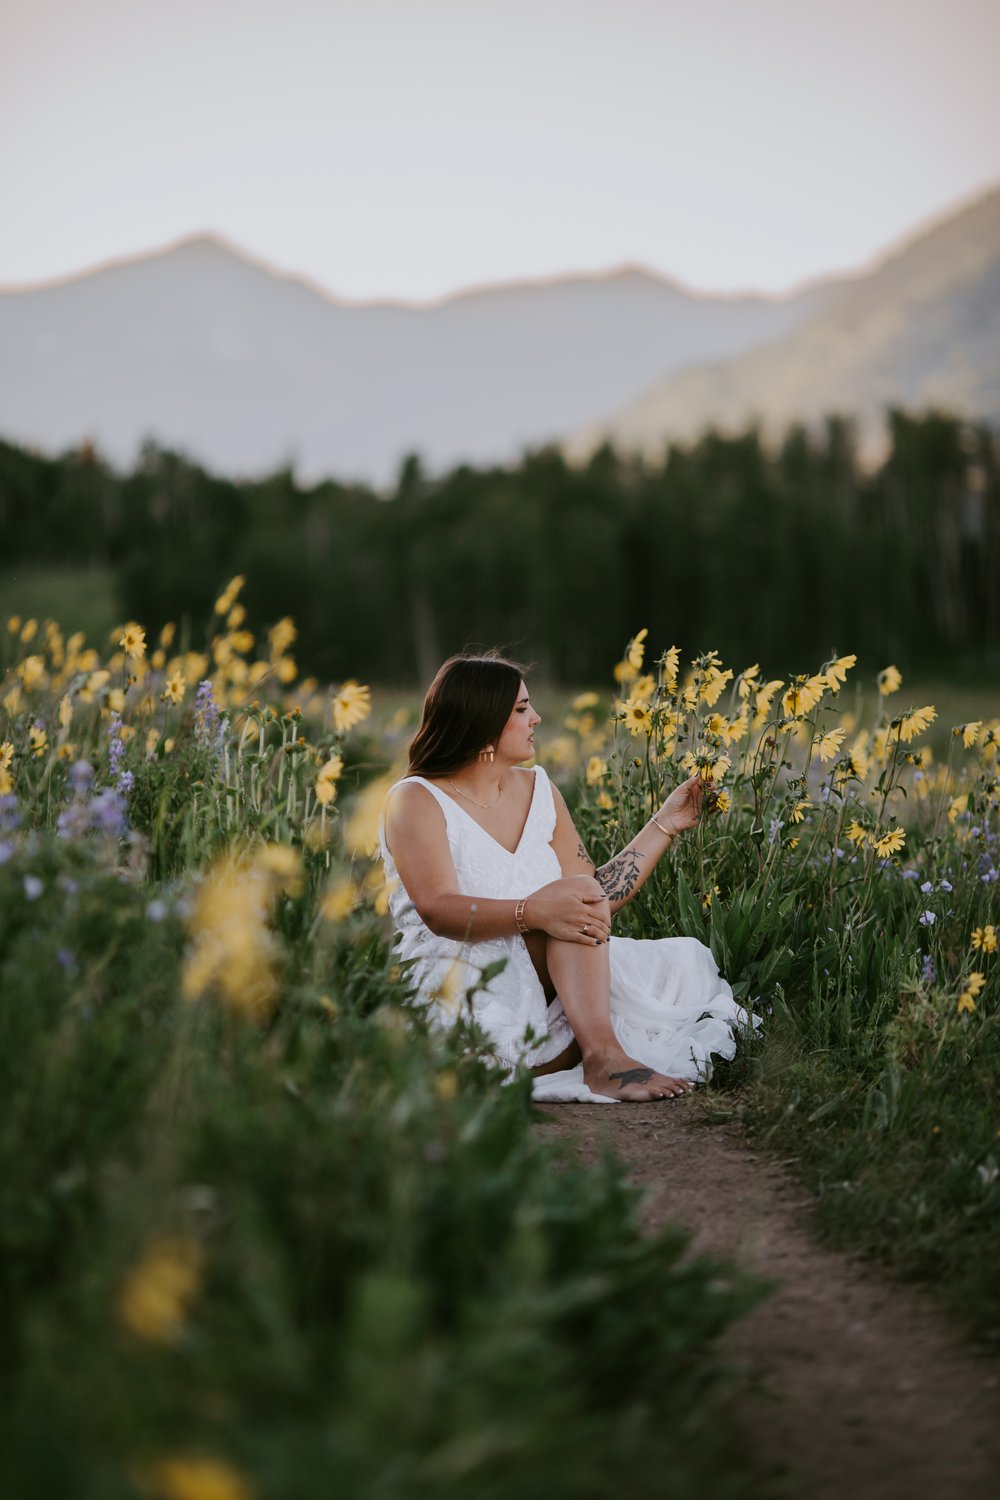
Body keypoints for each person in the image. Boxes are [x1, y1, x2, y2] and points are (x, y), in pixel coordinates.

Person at [380, 652, 753, 1103]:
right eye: (520, 709)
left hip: (555, 967)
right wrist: (533, 912)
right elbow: (437, 910)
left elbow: (595, 895)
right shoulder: (416, 800)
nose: (535, 718)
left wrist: (664, 824)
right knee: (564, 914)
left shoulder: (539, 789)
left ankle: (595, 1053)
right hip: (468, 970)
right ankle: (595, 1053)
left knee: (620, 932)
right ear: (481, 719)